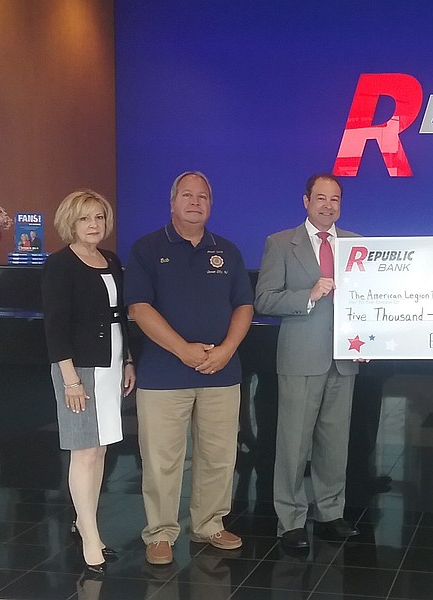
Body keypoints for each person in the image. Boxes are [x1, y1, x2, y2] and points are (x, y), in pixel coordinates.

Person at [124, 171, 254, 565]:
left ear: (210, 205)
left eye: (203, 196)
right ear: (172, 202)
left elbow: (244, 306)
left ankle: (209, 524)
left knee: (218, 455)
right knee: (162, 459)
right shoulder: (147, 249)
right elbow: (139, 308)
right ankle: (160, 533)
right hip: (164, 376)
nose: (195, 202)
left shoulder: (227, 251)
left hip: (221, 372)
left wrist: (227, 350)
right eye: (187, 195)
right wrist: (183, 350)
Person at [255, 173, 360, 551]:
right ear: (305, 201)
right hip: (300, 358)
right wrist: (309, 295)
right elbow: (264, 300)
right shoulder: (281, 243)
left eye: (335, 199)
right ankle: (291, 520)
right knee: (293, 443)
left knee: (335, 443)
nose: (328, 205)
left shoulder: (356, 244)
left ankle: (330, 513)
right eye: (320, 198)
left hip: (345, 358)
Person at [41, 190, 136, 574]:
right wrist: (70, 381)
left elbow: (120, 317)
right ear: (70, 223)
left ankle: (85, 523)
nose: (93, 225)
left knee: (100, 451)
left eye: (98, 217)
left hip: (111, 363)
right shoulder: (60, 264)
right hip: (78, 370)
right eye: (85, 219)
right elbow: (55, 328)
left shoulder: (110, 260)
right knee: (84, 451)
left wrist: (128, 359)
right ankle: (90, 538)